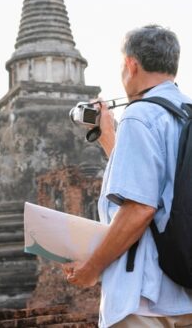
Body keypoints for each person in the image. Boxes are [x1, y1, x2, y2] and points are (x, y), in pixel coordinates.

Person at [62, 25, 192, 327]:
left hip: (145, 295)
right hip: (184, 292)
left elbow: (139, 208)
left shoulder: (140, 115)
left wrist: (92, 268)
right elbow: (159, 185)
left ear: (131, 64)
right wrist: (111, 140)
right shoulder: (184, 112)